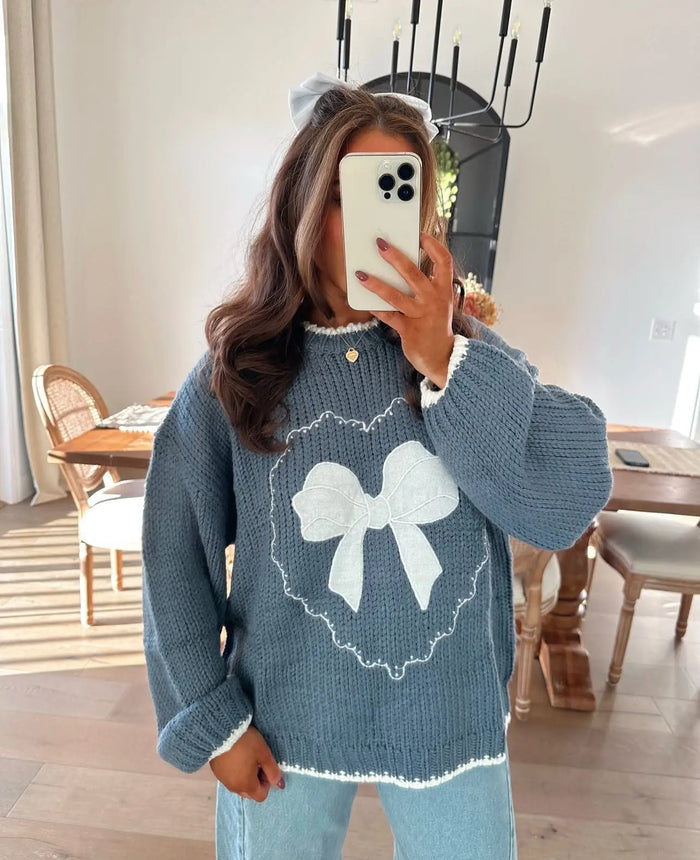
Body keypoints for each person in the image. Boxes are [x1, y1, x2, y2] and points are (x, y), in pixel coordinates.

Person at [141, 72, 613, 860]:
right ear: (300, 204)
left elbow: (567, 497)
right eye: (345, 196)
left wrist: (445, 359)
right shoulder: (241, 372)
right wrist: (209, 717)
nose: (373, 227)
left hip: (448, 711)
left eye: (395, 194)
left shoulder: (466, 357)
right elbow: (172, 551)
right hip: (284, 709)